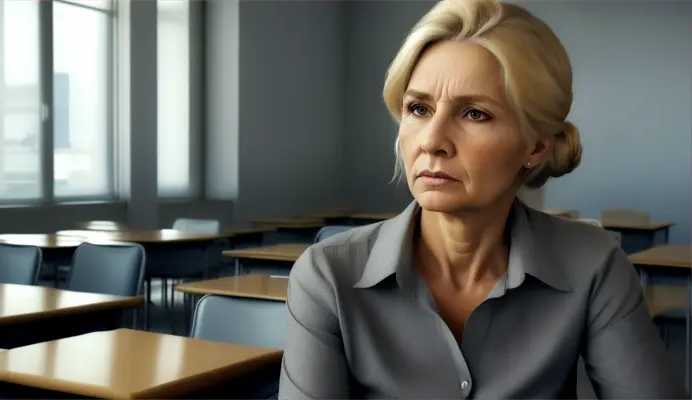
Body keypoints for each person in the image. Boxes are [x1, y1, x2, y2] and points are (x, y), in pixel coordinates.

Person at [278, 0, 687, 398]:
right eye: (418, 108)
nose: (433, 142)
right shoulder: (326, 277)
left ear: (536, 146)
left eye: (474, 113)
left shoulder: (594, 264)